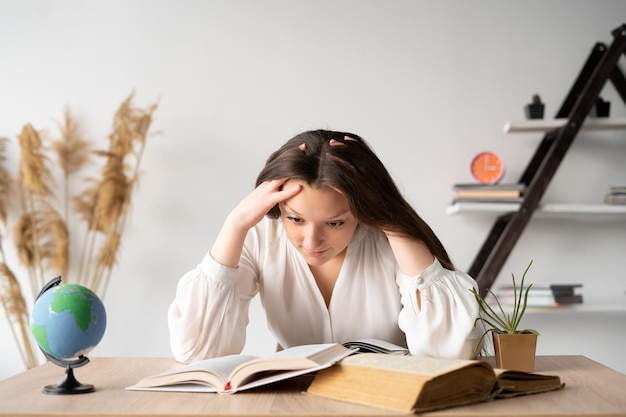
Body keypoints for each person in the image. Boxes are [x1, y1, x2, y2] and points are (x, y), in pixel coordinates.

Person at [168, 129, 482, 364]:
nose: (312, 241)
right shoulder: (261, 236)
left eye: (335, 223)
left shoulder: (388, 240)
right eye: (296, 219)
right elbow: (199, 353)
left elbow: (449, 354)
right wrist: (234, 224)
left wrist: (389, 212)